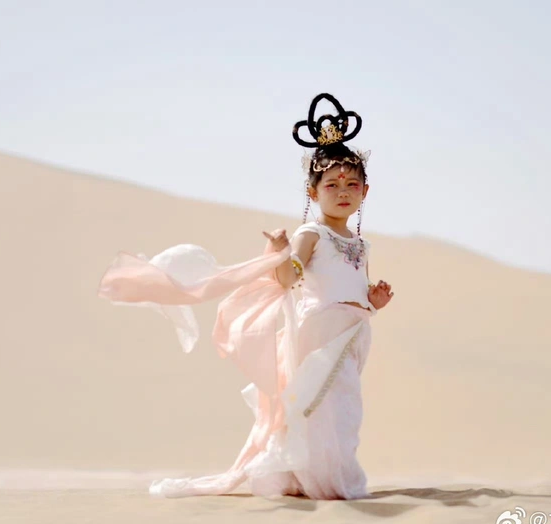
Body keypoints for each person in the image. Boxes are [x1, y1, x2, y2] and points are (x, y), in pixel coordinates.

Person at [97, 93, 394, 500]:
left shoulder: (361, 243)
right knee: (325, 408)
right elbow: (288, 278)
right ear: (313, 193)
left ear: (365, 191)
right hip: (322, 333)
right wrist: (280, 252)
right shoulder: (312, 234)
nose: (343, 192)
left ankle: (312, 477)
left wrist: (373, 300)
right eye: (332, 184)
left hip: (353, 335)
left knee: (344, 409)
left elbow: (355, 289)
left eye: (352, 184)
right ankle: (328, 483)